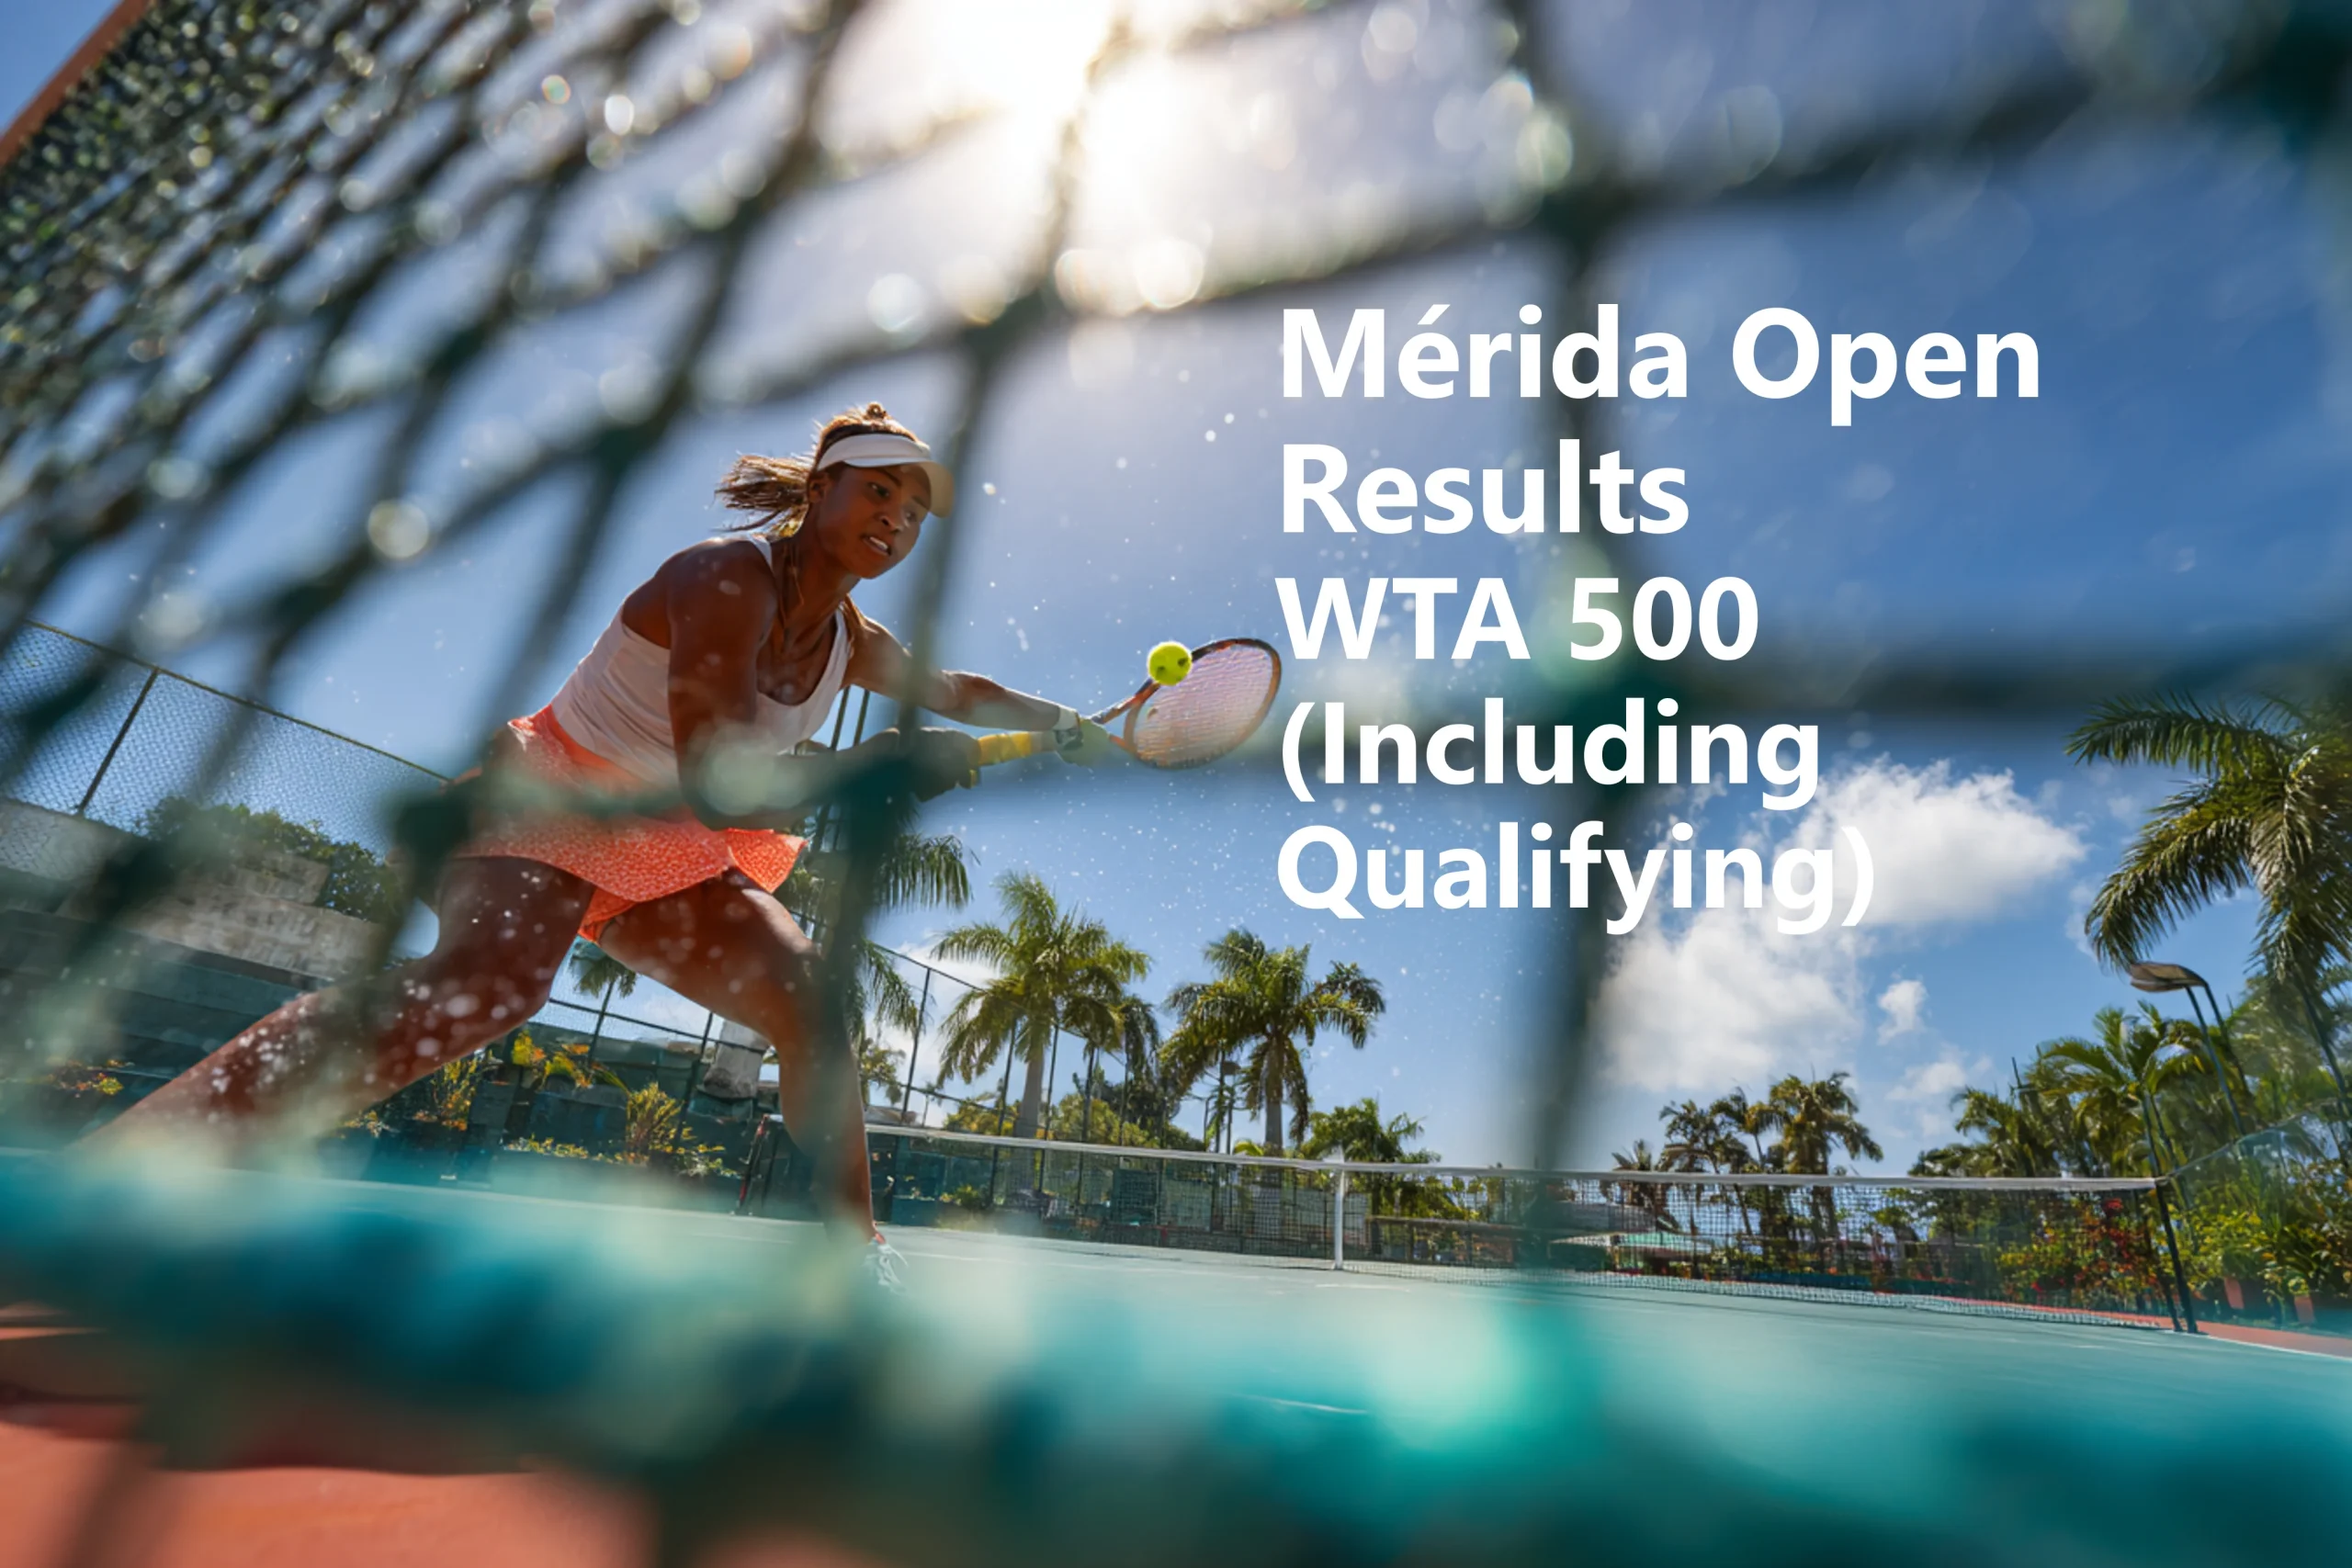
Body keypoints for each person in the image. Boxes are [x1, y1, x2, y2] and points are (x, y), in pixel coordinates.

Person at [94, 403, 1097, 1285]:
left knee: (808, 1002)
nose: (897, 520)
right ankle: (149, 1164)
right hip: (552, 793)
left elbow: (957, 691)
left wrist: (1079, 727)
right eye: (880, 491)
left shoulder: (857, 642)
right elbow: (716, 779)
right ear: (820, 489)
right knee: (491, 987)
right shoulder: (721, 576)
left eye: (914, 512)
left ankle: (854, 1263)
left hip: (669, 843)